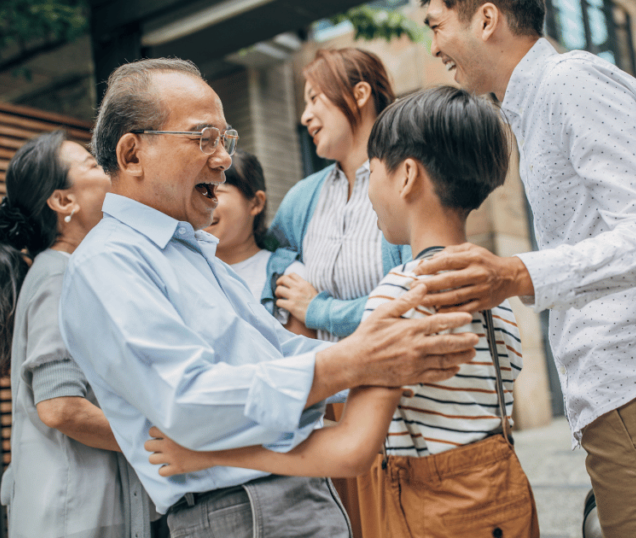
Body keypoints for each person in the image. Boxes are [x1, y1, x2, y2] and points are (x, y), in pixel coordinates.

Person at [57, 57, 480, 538]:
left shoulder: (193, 253)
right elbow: (189, 403)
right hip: (240, 510)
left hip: (287, 494)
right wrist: (357, 361)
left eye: (226, 139)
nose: (223, 159)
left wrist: (384, 355)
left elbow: (279, 353)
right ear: (132, 154)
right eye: (204, 138)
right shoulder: (107, 264)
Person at [144, 86, 539, 538]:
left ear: (407, 176)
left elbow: (351, 449)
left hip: (436, 513)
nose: (367, 190)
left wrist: (208, 454)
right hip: (505, 501)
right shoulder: (495, 292)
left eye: (374, 169)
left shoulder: (401, 293)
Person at [409, 1, 636, 537]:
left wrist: (514, 274)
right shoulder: (533, 105)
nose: (433, 46)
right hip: (629, 392)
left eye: (437, 26)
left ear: (486, 20)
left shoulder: (570, 83)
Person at [0, 130, 154, 538]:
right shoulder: (59, 275)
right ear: (63, 202)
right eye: (93, 165)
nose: (109, 171)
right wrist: (156, 440)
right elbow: (59, 407)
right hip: (74, 516)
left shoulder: (67, 271)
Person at [267, 47, 411, 343]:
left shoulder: (407, 183)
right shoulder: (301, 198)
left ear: (360, 95)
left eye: (314, 99)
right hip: (324, 371)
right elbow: (268, 254)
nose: (305, 116)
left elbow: (414, 297)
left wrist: (318, 310)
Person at [204, 149, 313, 336]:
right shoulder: (183, 269)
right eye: (199, 190)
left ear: (256, 203)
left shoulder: (286, 278)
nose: (204, 202)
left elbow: (305, 351)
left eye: (216, 190)